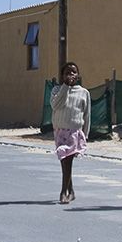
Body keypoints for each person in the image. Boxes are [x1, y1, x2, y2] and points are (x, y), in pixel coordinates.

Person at [50, 61, 91, 204]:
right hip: (60, 131)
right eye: (67, 72)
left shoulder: (84, 93)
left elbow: (86, 115)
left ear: (78, 75)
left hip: (75, 132)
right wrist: (65, 87)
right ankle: (71, 190)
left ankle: (64, 191)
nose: (70, 75)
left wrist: (85, 134)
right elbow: (56, 105)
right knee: (65, 160)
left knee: (67, 160)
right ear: (62, 76)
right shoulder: (57, 90)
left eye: (73, 72)